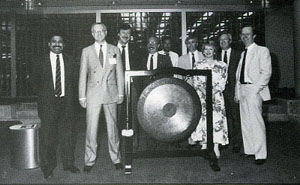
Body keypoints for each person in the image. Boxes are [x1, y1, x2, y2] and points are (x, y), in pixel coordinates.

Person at [32, 34, 80, 179]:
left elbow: (75, 82)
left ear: (63, 44)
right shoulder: (39, 61)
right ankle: (47, 168)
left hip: (67, 103)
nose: (57, 44)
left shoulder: (71, 60)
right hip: (48, 105)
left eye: (60, 42)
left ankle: (68, 164)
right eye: (54, 41)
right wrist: (45, 97)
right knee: (47, 138)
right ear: (49, 44)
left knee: (68, 136)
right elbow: (34, 82)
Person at [78, 23, 124, 172]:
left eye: (101, 31)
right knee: (91, 129)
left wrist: (121, 93)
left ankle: (116, 158)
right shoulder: (86, 51)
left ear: (106, 32)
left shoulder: (114, 50)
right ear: (92, 33)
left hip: (111, 93)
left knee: (113, 129)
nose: (98, 34)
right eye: (95, 32)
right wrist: (82, 96)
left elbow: (119, 73)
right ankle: (89, 160)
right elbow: (82, 74)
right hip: (93, 95)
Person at [235, 25, 272, 165]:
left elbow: (266, 72)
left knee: (256, 122)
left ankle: (260, 154)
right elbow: (239, 76)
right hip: (243, 90)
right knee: (246, 122)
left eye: (248, 34)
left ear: (254, 36)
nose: (245, 37)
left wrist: (255, 89)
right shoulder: (243, 53)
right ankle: (250, 150)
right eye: (243, 34)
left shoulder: (262, 50)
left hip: (254, 90)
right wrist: (238, 93)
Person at [190, 42, 229, 159]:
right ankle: (204, 145)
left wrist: (212, 92)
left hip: (216, 97)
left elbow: (223, 82)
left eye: (210, 49)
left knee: (217, 120)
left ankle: (216, 146)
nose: (208, 51)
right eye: (205, 49)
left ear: (214, 51)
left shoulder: (222, 65)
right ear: (202, 51)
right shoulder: (197, 64)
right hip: (202, 96)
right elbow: (196, 81)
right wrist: (205, 92)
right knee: (203, 119)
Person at [217, 32, 242, 153]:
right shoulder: (216, 55)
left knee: (235, 116)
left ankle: (237, 143)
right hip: (220, 92)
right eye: (221, 40)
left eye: (225, 40)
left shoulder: (238, 55)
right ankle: (225, 141)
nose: (222, 42)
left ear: (230, 41)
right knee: (223, 117)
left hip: (233, 90)